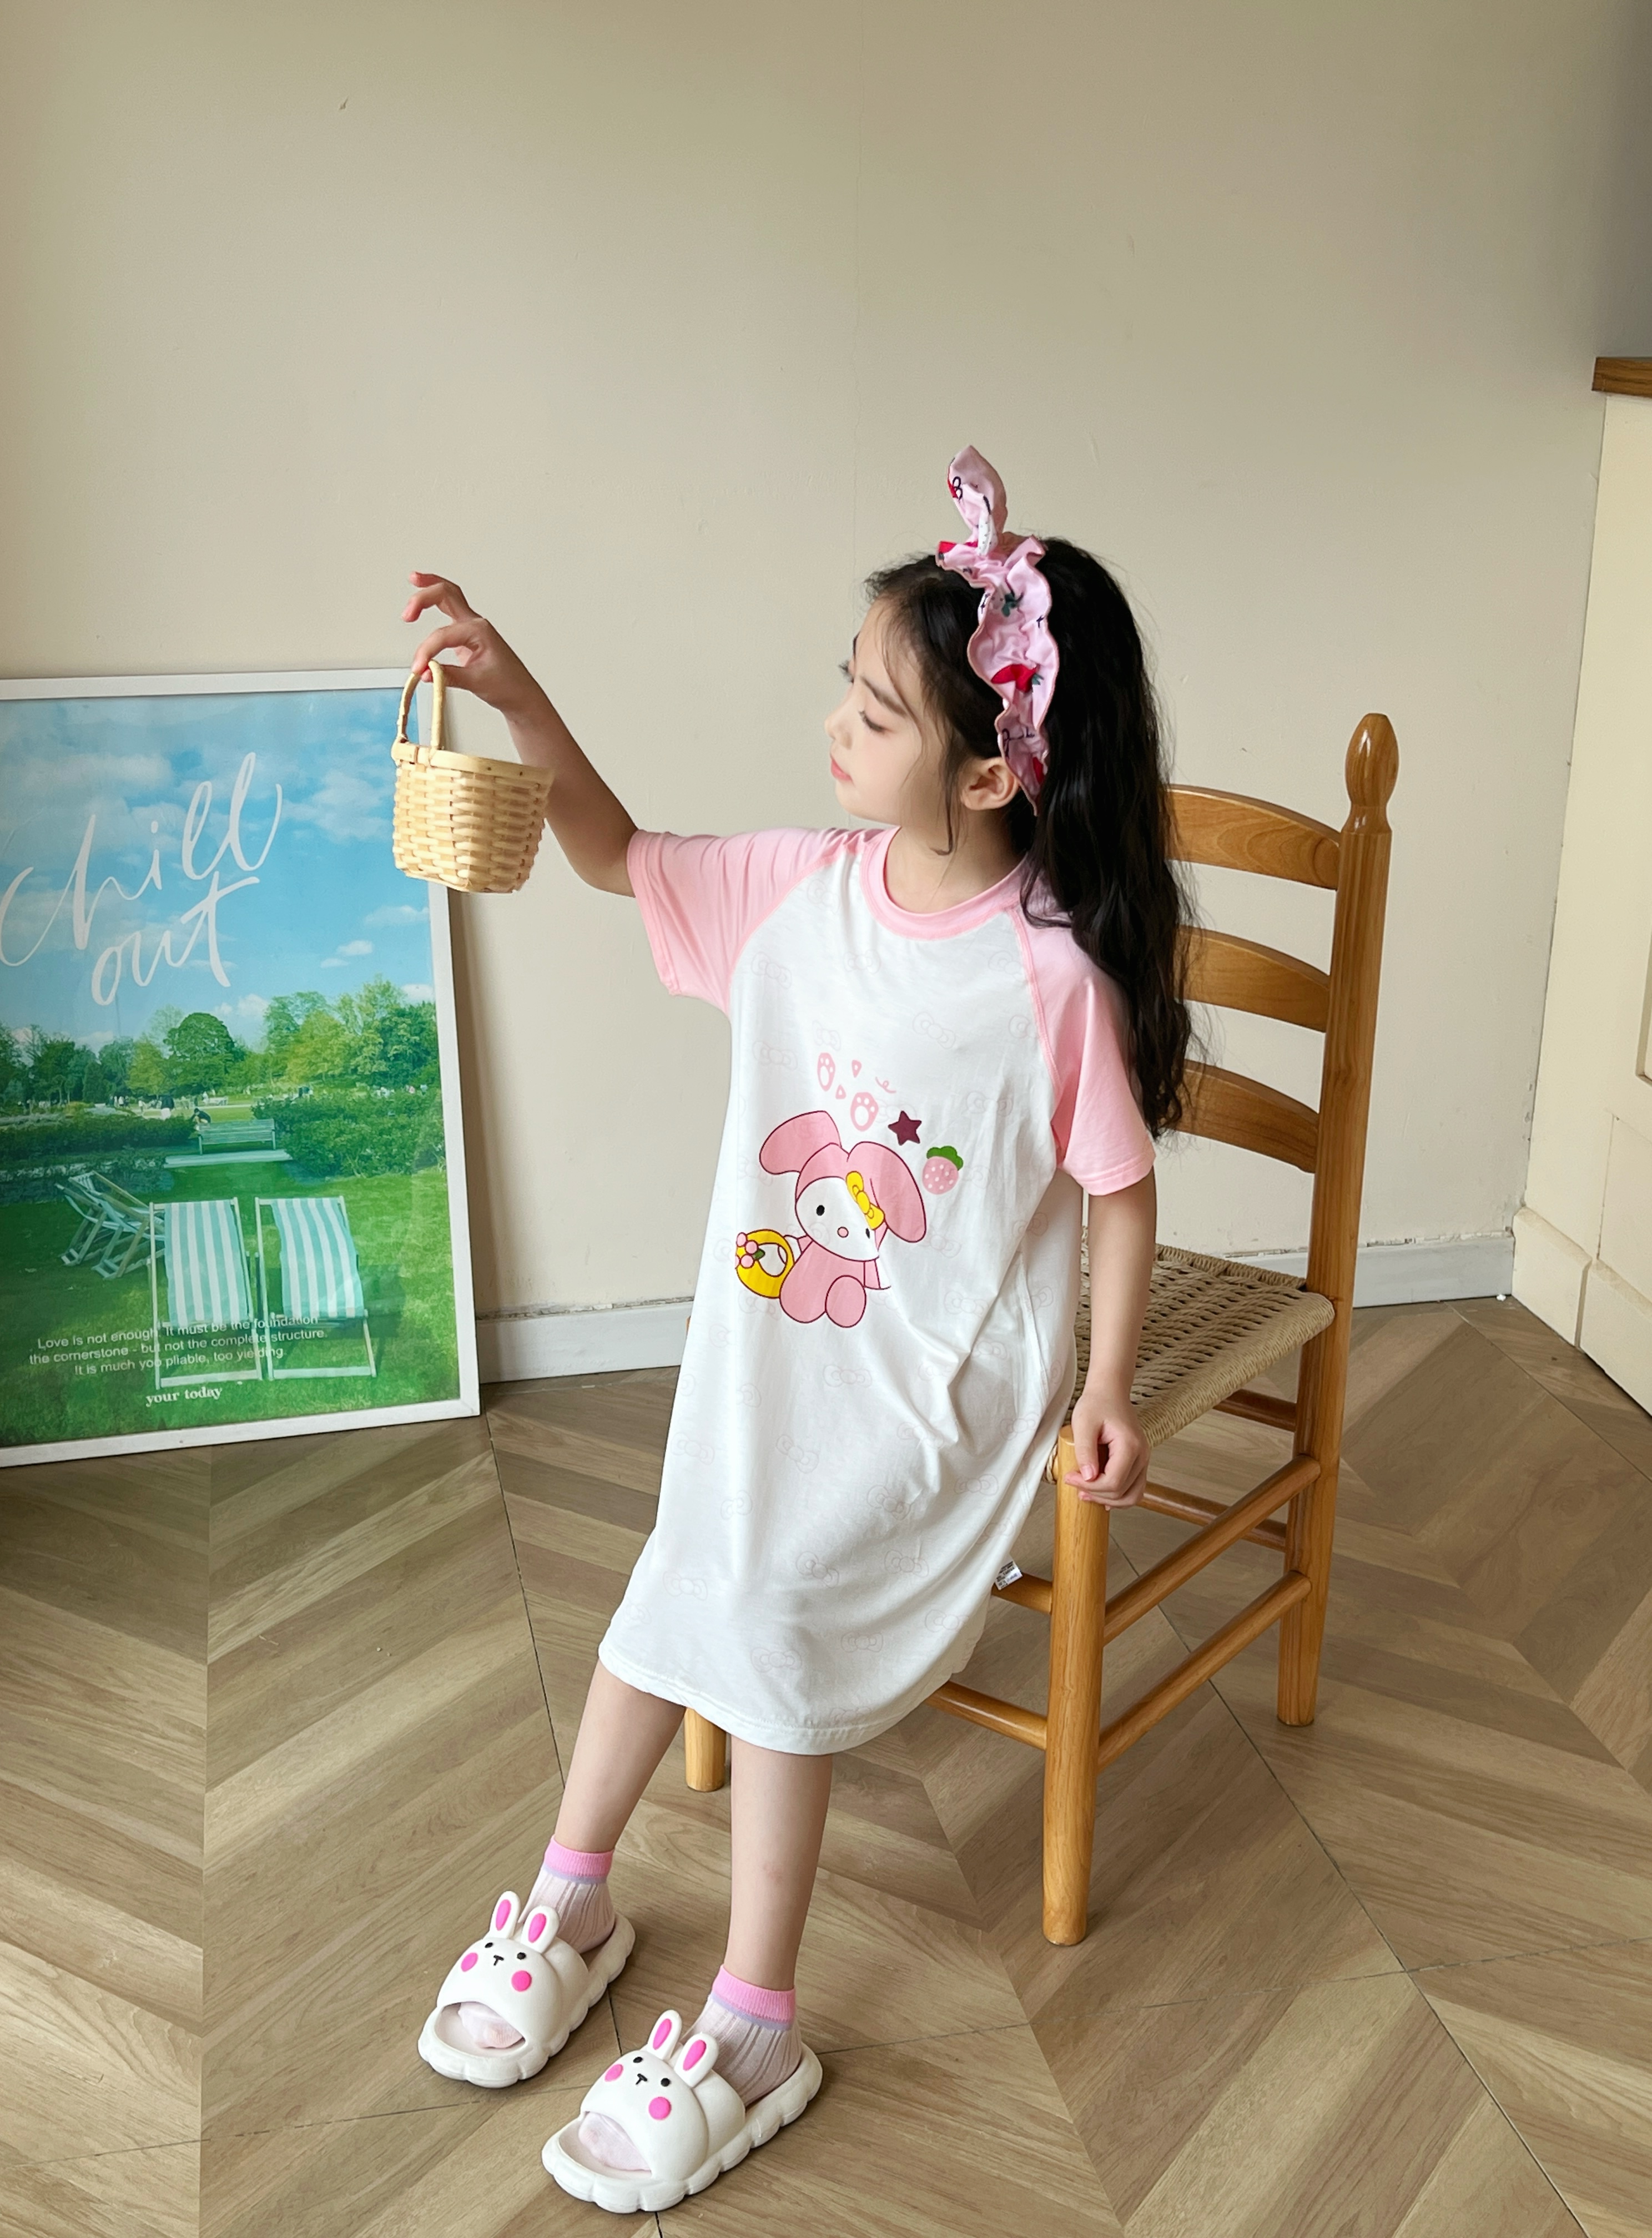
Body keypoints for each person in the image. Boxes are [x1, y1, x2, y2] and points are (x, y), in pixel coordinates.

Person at [409, 450, 1191, 2215]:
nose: (836, 724)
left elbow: (1120, 1189)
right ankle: (572, 1895)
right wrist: (516, 690)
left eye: (878, 711)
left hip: (940, 1383)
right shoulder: (797, 891)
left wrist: (1110, 1385)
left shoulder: (1049, 976)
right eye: (847, 684)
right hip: (775, 1356)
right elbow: (612, 855)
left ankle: (757, 2022)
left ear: (989, 769)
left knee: (755, 1609)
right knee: (683, 1565)